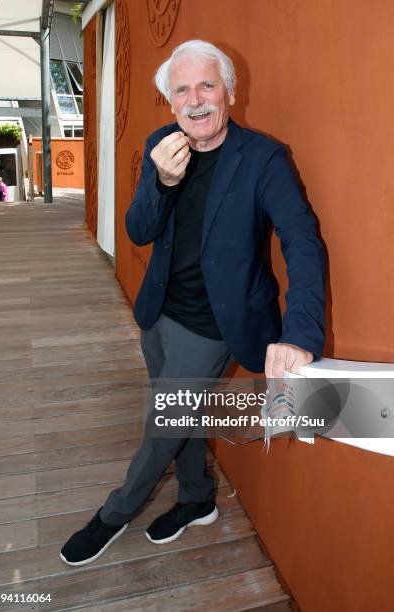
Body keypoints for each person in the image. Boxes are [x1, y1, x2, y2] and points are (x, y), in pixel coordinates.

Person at [60, 39, 325, 566]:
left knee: (162, 428)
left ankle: (113, 515)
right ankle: (197, 499)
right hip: (158, 314)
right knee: (181, 416)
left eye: (207, 84)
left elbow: (302, 240)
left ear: (229, 90)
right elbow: (138, 229)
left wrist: (299, 333)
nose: (196, 99)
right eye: (182, 89)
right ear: (171, 101)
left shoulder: (263, 158)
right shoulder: (163, 144)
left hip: (212, 326)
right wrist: (162, 181)